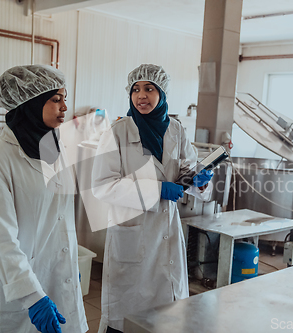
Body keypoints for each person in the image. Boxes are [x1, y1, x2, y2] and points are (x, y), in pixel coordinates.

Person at [92, 64, 213, 333]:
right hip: (131, 232)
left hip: (166, 231)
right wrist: (157, 190)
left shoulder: (176, 129)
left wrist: (198, 180)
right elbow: (102, 186)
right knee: (126, 319)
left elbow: (184, 169)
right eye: (136, 89)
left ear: (162, 93)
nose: (141, 96)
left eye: (149, 88)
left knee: (165, 317)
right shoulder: (118, 132)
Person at [0, 65, 88, 333]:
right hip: (19, 288)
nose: (64, 107)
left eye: (65, 98)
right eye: (55, 99)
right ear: (30, 103)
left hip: (59, 277)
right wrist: (32, 297)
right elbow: (1, 238)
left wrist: (67, 259)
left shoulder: (57, 147)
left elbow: (60, 216)